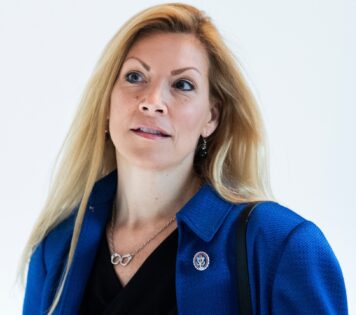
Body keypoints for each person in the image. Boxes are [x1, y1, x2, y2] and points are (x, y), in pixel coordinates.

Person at [19, 3, 348, 314]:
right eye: (135, 77)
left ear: (211, 117)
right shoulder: (57, 250)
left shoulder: (282, 246)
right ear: (107, 102)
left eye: (183, 84)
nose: (152, 101)